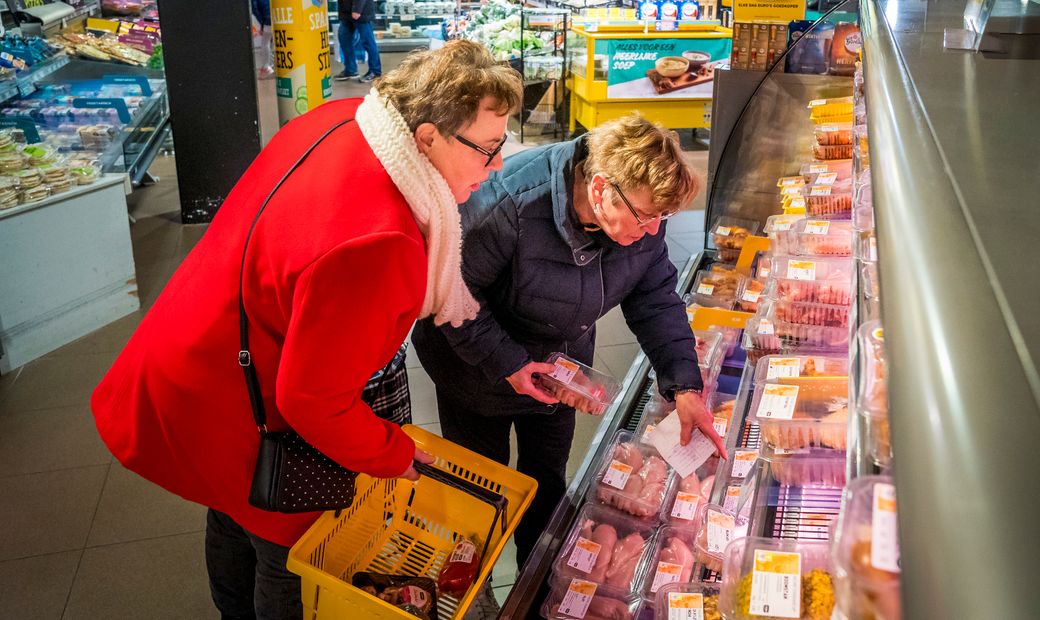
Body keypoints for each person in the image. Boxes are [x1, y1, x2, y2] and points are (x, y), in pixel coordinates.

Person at [90, 41, 521, 620]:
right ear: (426, 138)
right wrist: (391, 452)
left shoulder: (343, 120)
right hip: (248, 402)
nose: (497, 166)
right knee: (287, 553)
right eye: (488, 149)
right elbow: (312, 402)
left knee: (229, 511)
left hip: (202, 358)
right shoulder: (381, 242)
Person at [412, 114, 728, 570]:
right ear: (600, 189)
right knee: (478, 491)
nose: (656, 230)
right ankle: (468, 584)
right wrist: (509, 363)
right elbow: (450, 294)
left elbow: (656, 299)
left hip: (560, 372)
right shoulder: (509, 202)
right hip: (475, 371)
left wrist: (683, 386)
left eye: (665, 217)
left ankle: (534, 581)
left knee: (545, 483)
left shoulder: (638, 220)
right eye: (645, 216)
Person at [335, 0, 382, 82]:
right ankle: (351, 70)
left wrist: (357, 9)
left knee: (368, 42)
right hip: (346, 13)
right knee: (344, 40)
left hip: (361, 12)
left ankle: (375, 71)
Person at [251, 0, 275, 79]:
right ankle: (269, 65)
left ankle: (267, 66)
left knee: (265, 43)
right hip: (278, 16)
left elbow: (255, 10)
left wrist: (262, 23)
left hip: (267, 19)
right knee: (269, 42)